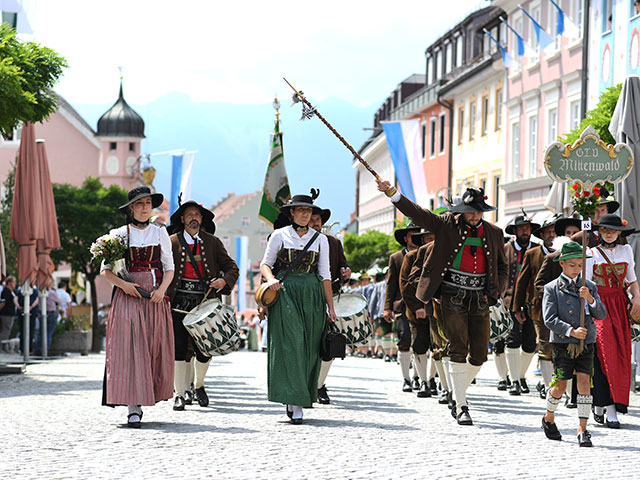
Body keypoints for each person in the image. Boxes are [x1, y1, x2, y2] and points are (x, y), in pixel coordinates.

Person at [377, 180, 507, 425]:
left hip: (480, 296)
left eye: (479, 211)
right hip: (451, 293)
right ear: (461, 211)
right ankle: (461, 404)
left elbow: (502, 265)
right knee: (457, 348)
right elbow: (417, 213)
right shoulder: (446, 224)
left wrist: (498, 288)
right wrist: (393, 194)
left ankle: (458, 392)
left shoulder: (494, 232)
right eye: (471, 211)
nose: (475, 215)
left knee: (479, 355)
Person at [260, 190, 337, 424]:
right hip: (284, 293)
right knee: (290, 344)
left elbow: (325, 275)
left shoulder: (321, 239)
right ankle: (291, 398)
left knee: (310, 347)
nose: (305, 214)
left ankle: (302, 394)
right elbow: (265, 264)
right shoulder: (279, 235)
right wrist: (271, 279)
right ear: (292, 212)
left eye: (309, 211)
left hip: (312, 295)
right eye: (301, 210)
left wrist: (331, 308)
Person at [100, 186, 175, 428]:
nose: (144, 208)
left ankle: (146, 396)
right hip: (128, 297)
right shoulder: (119, 234)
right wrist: (124, 285)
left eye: (148, 203)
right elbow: (106, 270)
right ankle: (134, 408)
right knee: (131, 350)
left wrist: (162, 291)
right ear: (131, 208)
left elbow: (169, 267)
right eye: (140, 204)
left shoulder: (160, 233)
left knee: (150, 349)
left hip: (153, 298)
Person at [166, 200, 239, 411]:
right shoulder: (171, 242)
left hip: (205, 302)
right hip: (178, 302)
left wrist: (223, 281)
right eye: (189, 214)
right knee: (179, 349)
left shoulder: (212, 242)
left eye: (197, 214)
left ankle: (198, 386)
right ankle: (179, 394)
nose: (193, 218)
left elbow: (231, 267)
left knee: (204, 349)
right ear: (182, 219)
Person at [541, 241, 606, 447]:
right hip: (563, 342)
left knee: (585, 383)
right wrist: (571, 331)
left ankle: (583, 429)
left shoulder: (590, 286)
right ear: (562, 264)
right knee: (560, 385)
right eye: (572, 265)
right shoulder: (552, 288)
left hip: (586, 341)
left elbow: (601, 314)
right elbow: (549, 319)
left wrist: (591, 299)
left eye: (580, 265)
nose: (577, 269)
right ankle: (548, 417)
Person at [585, 214, 640, 428]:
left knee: (621, 355)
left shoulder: (626, 251)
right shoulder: (591, 254)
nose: (608, 233)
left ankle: (609, 405)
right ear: (599, 232)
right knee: (604, 355)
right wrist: (590, 312)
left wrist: (637, 298)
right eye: (605, 229)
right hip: (600, 306)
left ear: (619, 233)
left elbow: (632, 279)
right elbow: (588, 286)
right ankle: (608, 408)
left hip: (619, 305)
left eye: (613, 230)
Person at [512, 214, 560, 399]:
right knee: (545, 345)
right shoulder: (532, 254)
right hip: (539, 308)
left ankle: (556, 382)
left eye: (554, 232)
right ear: (542, 235)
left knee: (561, 347)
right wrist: (516, 307)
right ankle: (549, 387)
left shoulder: (566, 251)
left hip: (564, 307)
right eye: (548, 232)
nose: (551, 235)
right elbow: (522, 281)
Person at [309, 207, 351, 405]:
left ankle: (319, 384)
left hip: (328, 299)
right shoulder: (296, 241)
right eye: (312, 219)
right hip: (303, 299)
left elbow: (343, 265)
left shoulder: (333, 242)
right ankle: (306, 384)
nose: (315, 223)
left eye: (317, 220)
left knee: (329, 344)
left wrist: (346, 272)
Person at [410, 236, 452, 405]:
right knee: (441, 348)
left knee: (463, 349)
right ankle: (446, 388)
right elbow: (413, 278)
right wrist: (433, 292)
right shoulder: (426, 249)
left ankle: (455, 389)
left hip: (465, 306)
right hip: (436, 308)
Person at [502, 213, 541, 396]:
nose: (525, 231)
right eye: (521, 228)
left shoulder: (537, 250)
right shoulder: (505, 249)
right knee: (512, 339)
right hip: (510, 300)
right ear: (515, 230)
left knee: (529, 343)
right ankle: (514, 381)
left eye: (528, 228)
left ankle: (521, 376)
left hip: (532, 301)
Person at [385, 222, 421, 392]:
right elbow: (391, 284)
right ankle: (406, 378)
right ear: (405, 238)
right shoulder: (396, 258)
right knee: (404, 339)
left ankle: (418, 377)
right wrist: (387, 307)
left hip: (422, 304)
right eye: (412, 234)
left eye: (418, 234)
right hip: (402, 305)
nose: (415, 237)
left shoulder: (427, 253)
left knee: (420, 342)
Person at [400, 229, 436, 397]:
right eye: (428, 237)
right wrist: (416, 308)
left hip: (439, 310)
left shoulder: (444, 255)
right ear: (421, 239)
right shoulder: (411, 257)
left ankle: (434, 380)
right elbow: (405, 285)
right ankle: (423, 381)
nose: (431, 240)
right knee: (420, 345)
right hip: (418, 312)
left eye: (434, 237)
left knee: (439, 347)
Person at [35, 288, 60, 355]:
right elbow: (59, 301)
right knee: (49, 333)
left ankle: (38, 349)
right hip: (50, 313)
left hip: (41, 313)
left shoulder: (39, 292)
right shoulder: (52, 293)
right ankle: (45, 349)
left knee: (40, 332)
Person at [16, 285, 39, 355]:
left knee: (22, 330)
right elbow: (38, 300)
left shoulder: (20, 290)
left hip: (22, 312)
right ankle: (29, 349)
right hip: (31, 312)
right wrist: (31, 307)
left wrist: (19, 307)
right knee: (30, 330)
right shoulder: (34, 291)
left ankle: (23, 349)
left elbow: (15, 299)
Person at [0, 276, 17, 341]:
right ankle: (1, 346)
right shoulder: (6, 291)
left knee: (7, 331)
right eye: (14, 282)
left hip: (9, 314)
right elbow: (3, 302)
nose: (15, 284)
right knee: (5, 330)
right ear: (9, 283)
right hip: (6, 314)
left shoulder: (11, 291)